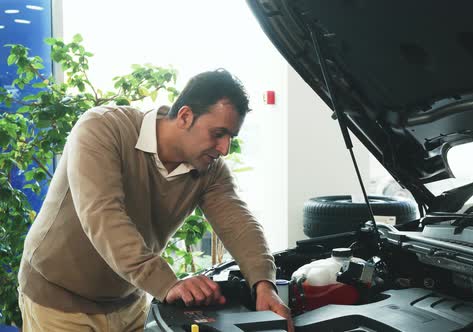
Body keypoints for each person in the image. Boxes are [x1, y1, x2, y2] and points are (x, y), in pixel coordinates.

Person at [17, 69, 293, 331]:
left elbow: (239, 223)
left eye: (230, 137)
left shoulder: (210, 170)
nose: (224, 149)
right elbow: (103, 215)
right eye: (218, 134)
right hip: (58, 301)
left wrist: (263, 284)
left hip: (129, 300)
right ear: (185, 116)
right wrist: (166, 282)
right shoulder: (103, 129)